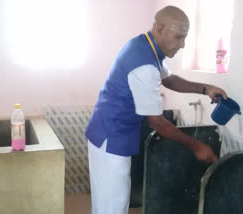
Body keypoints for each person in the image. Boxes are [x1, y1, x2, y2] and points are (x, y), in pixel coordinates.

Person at [85, 5, 227, 214]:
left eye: (185, 38)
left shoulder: (145, 46)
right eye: (178, 37)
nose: (183, 45)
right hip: (110, 138)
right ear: (160, 29)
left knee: (109, 202)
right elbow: (157, 122)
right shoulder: (143, 64)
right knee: (112, 205)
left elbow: (169, 79)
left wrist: (205, 89)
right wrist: (196, 146)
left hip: (110, 131)